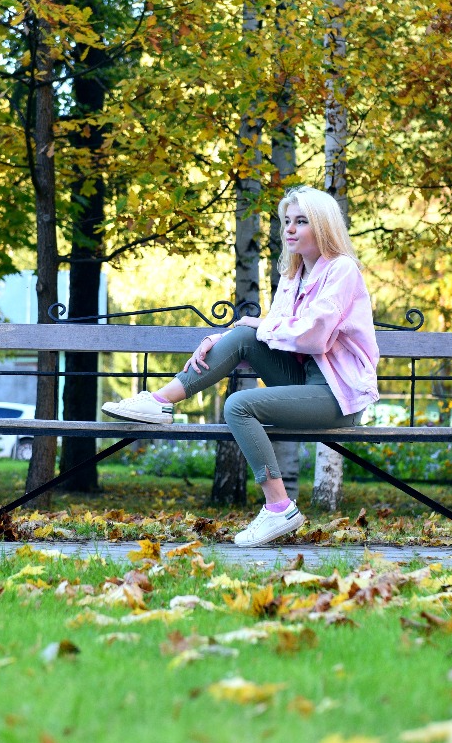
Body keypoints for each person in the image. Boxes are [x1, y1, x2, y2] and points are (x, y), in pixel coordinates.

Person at [102, 185, 380, 546]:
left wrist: (256, 327)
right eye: (286, 221)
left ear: (323, 225)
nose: (290, 229)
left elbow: (314, 336)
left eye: (301, 221)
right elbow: (268, 333)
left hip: (337, 396)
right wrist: (223, 338)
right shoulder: (293, 276)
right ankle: (160, 402)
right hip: (305, 378)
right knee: (243, 336)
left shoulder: (342, 270)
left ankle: (279, 508)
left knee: (238, 405)